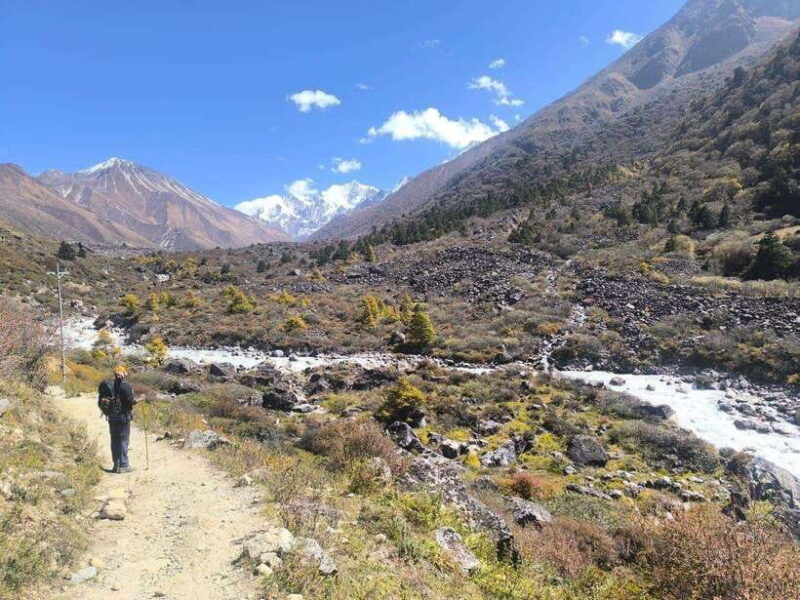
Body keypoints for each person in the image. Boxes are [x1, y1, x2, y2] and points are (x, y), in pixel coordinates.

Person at [98, 366, 137, 473]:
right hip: (123, 417)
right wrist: (140, 398)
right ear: (123, 374)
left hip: (111, 417)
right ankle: (123, 465)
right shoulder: (125, 386)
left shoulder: (109, 385)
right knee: (123, 440)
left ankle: (116, 465)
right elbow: (130, 402)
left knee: (115, 440)